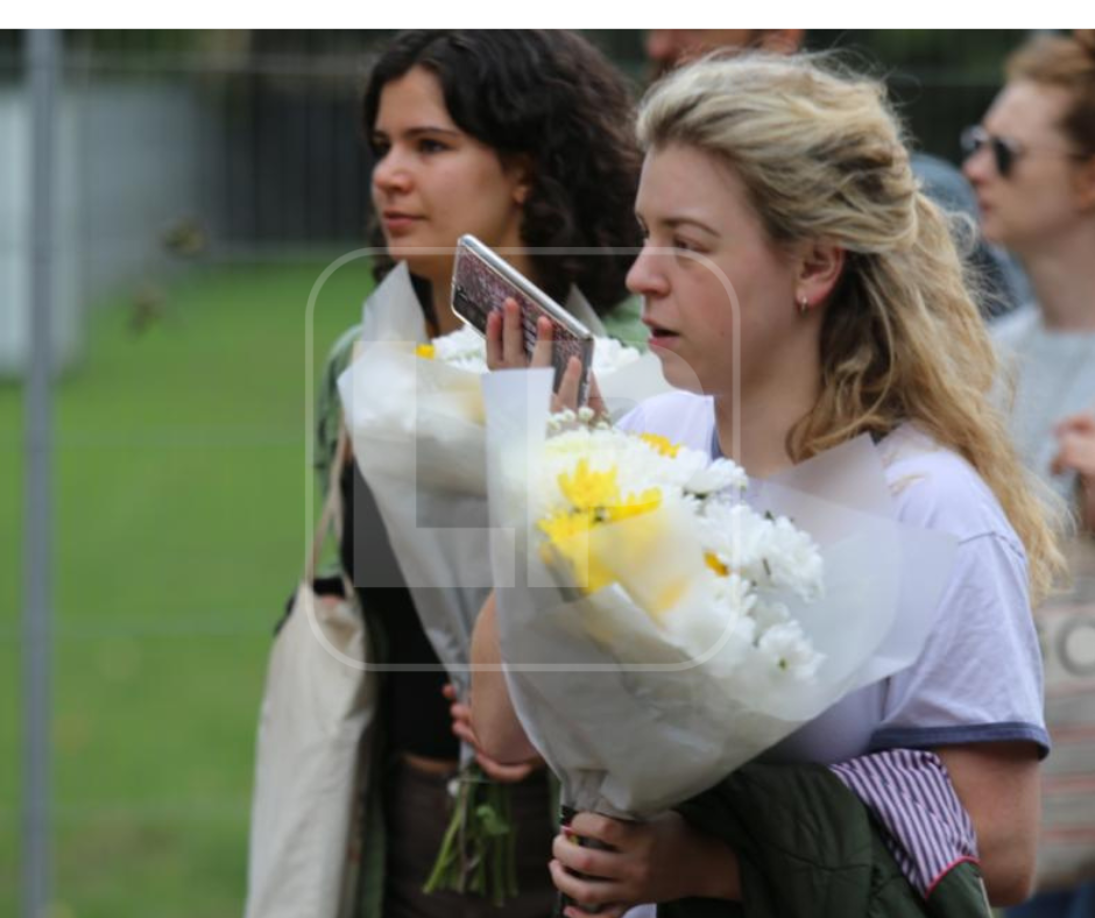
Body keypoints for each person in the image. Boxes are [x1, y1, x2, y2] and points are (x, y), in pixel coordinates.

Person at [470, 52, 1063, 916]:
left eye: (688, 243)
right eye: (645, 233)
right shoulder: (647, 439)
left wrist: (708, 867)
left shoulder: (931, 508)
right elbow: (503, 730)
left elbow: (1000, 853)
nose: (640, 275)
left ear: (814, 266)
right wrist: (546, 480)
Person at [312, 29, 646, 918]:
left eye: (430, 145)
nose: (389, 174)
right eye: (382, 147)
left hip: (594, 836)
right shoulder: (356, 365)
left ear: (527, 168)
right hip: (405, 818)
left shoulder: (634, 364)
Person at [963, 30, 1095, 918]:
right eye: (975, 141)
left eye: (1003, 151)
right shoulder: (980, 362)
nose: (974, 168)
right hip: (1006, 809)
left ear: (1087, 178)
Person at [644, 28, 1029, 320]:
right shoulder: (661, 416)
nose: (657, 46)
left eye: (688, 244)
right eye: (645, 233)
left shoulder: (928, 195)